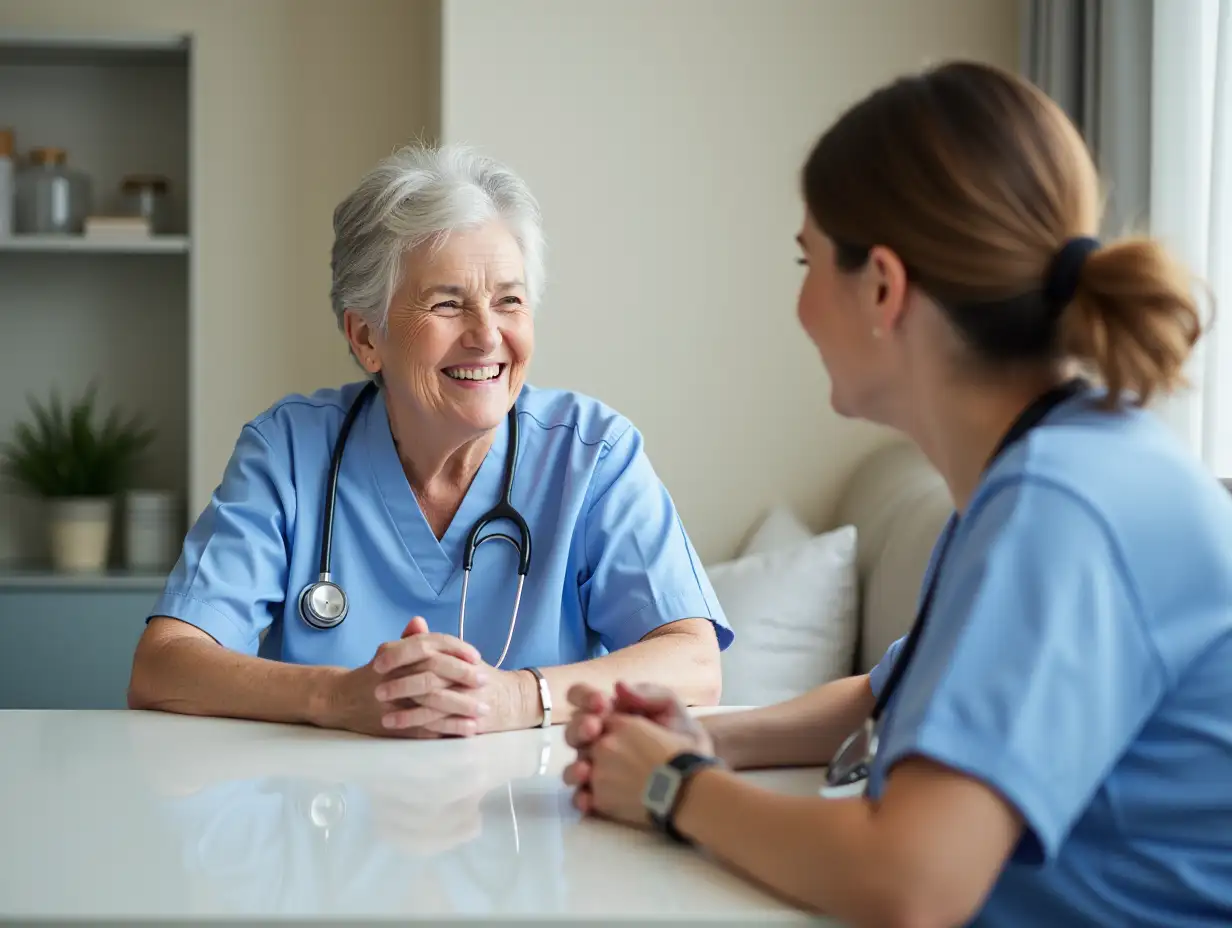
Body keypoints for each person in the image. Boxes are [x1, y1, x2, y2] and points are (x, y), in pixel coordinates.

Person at [563, 60, 1232, 927]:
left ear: (882, 286)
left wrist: (670, 786)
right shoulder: (1047, 469)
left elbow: (911, 883)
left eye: (808, 261)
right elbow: (891, 691)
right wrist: (703, 737)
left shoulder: (1061, 504)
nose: (800, 305)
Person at [128, 143, 729, 738]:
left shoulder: (592, 454)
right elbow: (164, 664)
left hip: (528, 818)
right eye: (448, 304)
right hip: (327, 815)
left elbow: (694, 662)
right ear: (367, 337)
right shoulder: (288, 451)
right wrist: (338, 696)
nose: (486, 335)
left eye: (509, 301)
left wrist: (519, 696)